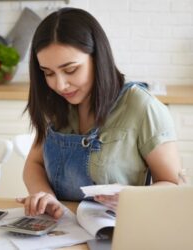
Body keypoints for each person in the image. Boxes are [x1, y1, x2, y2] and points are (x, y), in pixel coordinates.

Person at [17, 7, 184, 219]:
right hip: (61, 232)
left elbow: (173, 185)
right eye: (48, 73)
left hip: (120, 231)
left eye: (71, 70)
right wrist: (45, 196)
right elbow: (34, 164)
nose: (60, 85)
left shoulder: (142, 107)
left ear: (98, 57)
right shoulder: (57, 104)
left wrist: (132, 197)